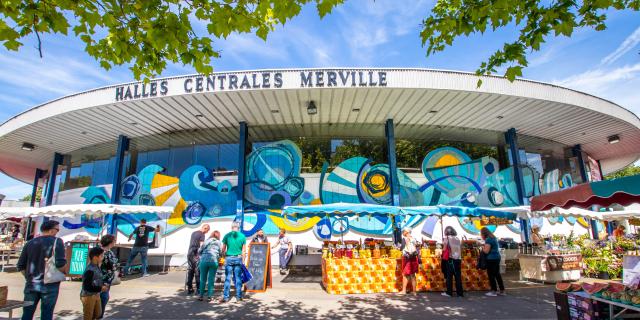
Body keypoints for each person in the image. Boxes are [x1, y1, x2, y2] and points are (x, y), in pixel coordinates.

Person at [17, 220, 66, 320]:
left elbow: (21, 265)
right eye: (57, 229)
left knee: (27, 313)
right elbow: (60, 264)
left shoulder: (30, 243)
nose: (57, 232)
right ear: (52, 230)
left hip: (31, 283)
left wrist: (28, 277)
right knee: (47, 313)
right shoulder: (57, 241)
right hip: (50, 284)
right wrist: (65, 271)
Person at [221, 222, 246, 303]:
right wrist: (243, 261)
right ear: (238, 227)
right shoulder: (242, 236)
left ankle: (226, 297)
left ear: (231, 227)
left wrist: (222, 258)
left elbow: (223, 249)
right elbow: (244, 250)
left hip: (228, 258)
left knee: (228, 278)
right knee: (238, 278)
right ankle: (239, 297)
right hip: (238, 258)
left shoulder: (227, 235)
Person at [81, 247, 108, 320]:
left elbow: (97, 279)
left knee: (98, 313)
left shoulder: (97, 265)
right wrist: (101, 288)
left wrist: (102, 285)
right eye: (101, 255)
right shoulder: (90, 270)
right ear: (95, 257)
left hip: (96, 294)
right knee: (89, 316)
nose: (103, 257)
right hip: (88, 296)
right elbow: (87, 286)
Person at [198, 230, 222, 302]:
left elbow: (200, 250)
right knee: (211, 279)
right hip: (213, 261)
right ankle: (209, 296)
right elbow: (220, 252)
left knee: (202, 279)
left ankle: (201, 296)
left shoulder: (206, 241)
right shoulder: (219, 242)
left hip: (204, 261)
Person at [481, 227, 505, 296]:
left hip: (491, 259)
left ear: (484, 234)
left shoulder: (488, 240)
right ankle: (502, 290)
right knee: (497, 274)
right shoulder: (494, 238)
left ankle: (494, 291)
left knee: (491, 275)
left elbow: (486, 251)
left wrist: (483, 248)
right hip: (497, 257)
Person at [187, 224, 210, 294]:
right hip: (196, 255)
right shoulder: (202, 234)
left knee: (190, 271)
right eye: (207, 231)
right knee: (197, 272)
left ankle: (190, 289)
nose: (207, 232)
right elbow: (201, 246)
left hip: (189, 254)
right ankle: (199, 289)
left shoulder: (193, 233)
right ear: (205, 229)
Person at [98, 235, 118, 319]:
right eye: (114, 241)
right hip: (103, 279)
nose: (115, 243)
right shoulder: (104, 252)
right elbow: (111, 265)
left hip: (105, 279)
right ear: (110, 242)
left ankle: (99, 315)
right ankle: (99, 315)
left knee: (103, 297)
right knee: (103, 297)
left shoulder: (105, 251)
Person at [442, 226, 463, 298]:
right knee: (458, 276)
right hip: (458, 259)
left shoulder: (446, 238)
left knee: (449, 276)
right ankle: (460, 293)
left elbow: (444, 249)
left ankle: (449, 293)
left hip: (451, 259)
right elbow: (460, 248)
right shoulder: (457, 239)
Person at [401, 228, 419, 295]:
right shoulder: (414, 238)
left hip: (407, 257)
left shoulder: (406, 238)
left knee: (405, 274)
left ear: (406, 232)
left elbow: (407, 247)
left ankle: (404, 290)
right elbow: (415, 247)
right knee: (413, 275)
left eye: (404, 231)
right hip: (414, 257)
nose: (403, 232)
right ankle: (414, 292)